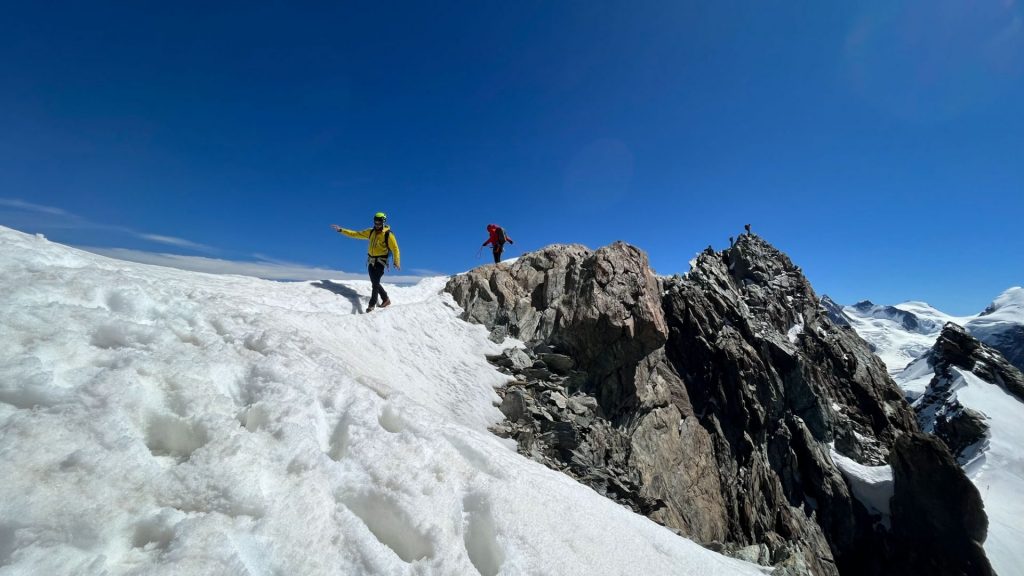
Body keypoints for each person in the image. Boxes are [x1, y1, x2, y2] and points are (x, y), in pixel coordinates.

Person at [331, 212, 400, 312]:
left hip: (381, 261)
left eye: (379, 223)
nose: (377, 225)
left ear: (383, 222)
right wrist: (341, 230)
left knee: (375, 283)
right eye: (375, 222)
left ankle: (371, 305)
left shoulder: (388, 235)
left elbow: (395, 248)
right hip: (371, 261)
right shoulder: (370, 232)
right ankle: (386, 299)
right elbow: (355, 234)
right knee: (375, 282)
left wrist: (396, 261)